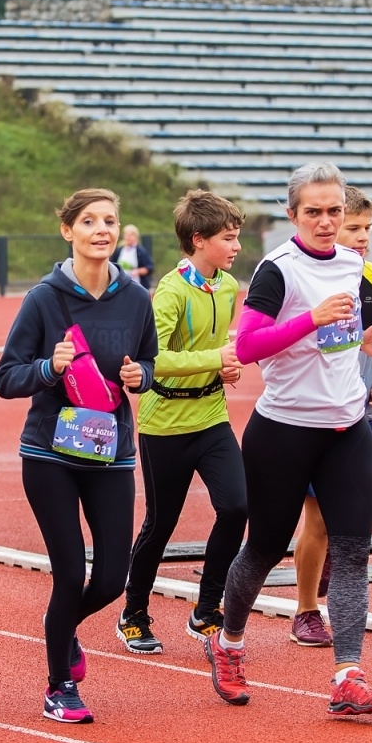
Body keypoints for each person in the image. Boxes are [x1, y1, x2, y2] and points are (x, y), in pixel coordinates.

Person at [204, 163, 372, 717]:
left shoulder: (356, 264)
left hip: (346, 429)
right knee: (263, 549)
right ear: (293, 215)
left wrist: (366, 346)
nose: (327, 221)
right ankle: (229, 643)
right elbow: (249, 346)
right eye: (314, 211)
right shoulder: (276, 270)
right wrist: (312, 318)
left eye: (335, 210)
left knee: (354, 553)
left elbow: (341, 340)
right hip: (283, 432)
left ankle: (347, 674)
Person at [0, 188, 157, 724]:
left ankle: (60, 630)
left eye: (110, 220)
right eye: (89, 221)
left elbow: (150, 362)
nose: (102, 229)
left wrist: (142, 376)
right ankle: (59, 683)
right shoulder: (44, 299)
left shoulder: (135, 298)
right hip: (50, 453)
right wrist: (49, 368)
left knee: (111, 576)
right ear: (68, 231)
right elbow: (6, 377)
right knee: (69, 573)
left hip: (111, 452)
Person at [116, 190, 248, 654]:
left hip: (211, 415)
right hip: (164, 422)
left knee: (236, 506)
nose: (236, 247)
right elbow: (154, 357)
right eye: (228, 239)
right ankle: (134, 612)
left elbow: (214, 352)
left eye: (237, 238)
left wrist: (223, 368)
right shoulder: (170, 290)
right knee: (161, 523)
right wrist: (215, 357)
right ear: (198, 239)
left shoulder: (229, 287)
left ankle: (207, 608)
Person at [290, 187, 372, 647]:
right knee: (316, 521)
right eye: (354, 227)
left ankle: (336, 554)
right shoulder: (311, 278)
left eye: (367, 228)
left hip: (362, 414)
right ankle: (306, 610)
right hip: (319, 415)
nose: (362, 236)